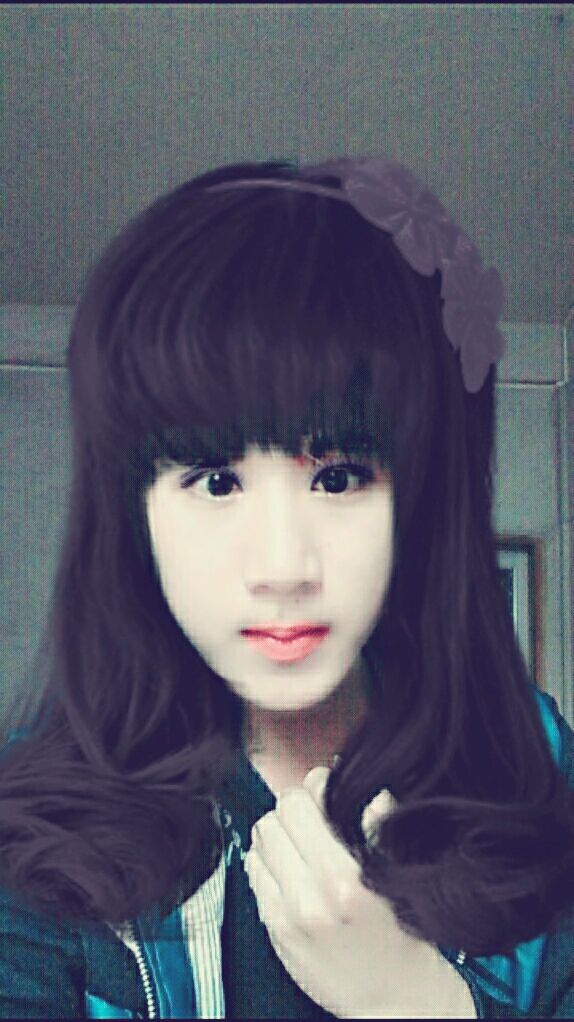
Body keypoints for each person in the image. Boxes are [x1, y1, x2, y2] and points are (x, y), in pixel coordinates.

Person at [0, 154, 573, 1019]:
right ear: (135, 513)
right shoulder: (34, 827)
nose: (281, 567)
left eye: (338, 478)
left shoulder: (535, 769)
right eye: (215, 481)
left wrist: (415, 1002)